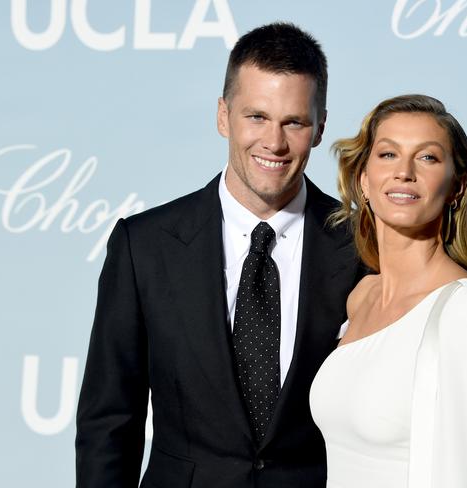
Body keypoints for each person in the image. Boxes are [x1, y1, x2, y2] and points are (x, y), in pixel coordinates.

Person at [75, 23, 363, 488]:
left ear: (321, 126)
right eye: (256, 117)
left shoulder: (362, 246)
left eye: (294, 122)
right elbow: (109, 424)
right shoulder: (144, 246)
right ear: (223, 116)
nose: (274, 142)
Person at [309, 94, 467, 488]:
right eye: (388, 155)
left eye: (427, 158)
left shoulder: (463, 311)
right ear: (363, 180)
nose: (404, 172)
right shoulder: (361, 297)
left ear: (456, 187)